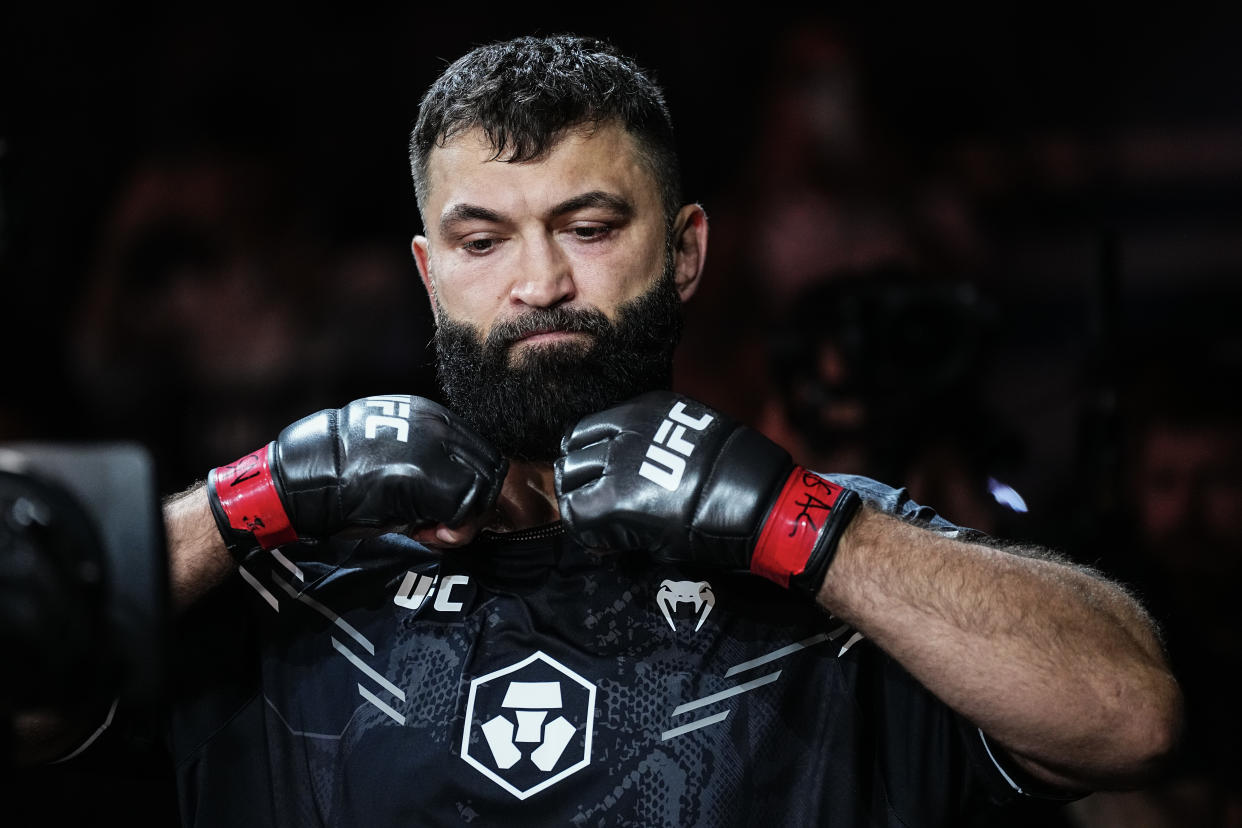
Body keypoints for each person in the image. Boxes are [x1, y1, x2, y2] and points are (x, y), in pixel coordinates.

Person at [11, 33, 1182, 827]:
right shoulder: (284, 581)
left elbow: (1129, 719)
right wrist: (247, 497)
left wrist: (802, 522)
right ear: (427, 272)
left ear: (686, 252)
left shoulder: (841, 562)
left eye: (587, 226)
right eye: (482, 241)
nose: (538, 284)